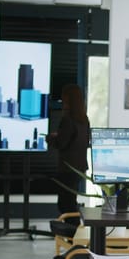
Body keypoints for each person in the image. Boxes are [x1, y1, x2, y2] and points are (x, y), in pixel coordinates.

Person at [46, 84, 90, 222]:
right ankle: (74, 234)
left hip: (68, 169)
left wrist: (50, 138)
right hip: (80, 168)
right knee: (70, 202)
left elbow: (61, 143)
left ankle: (73, 235)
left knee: (66, 205)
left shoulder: (67, 120)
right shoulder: (84, 119)